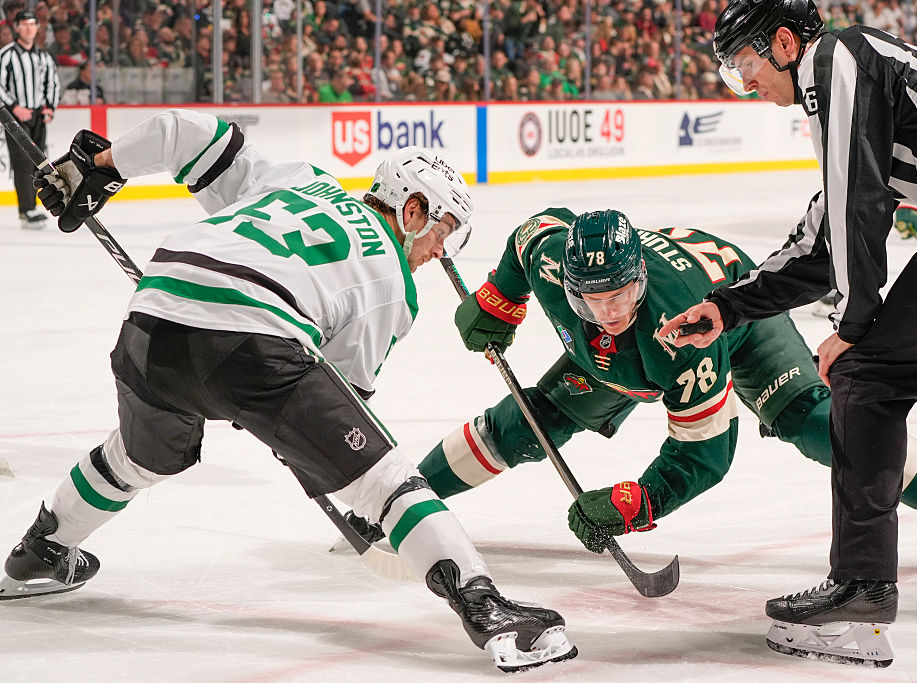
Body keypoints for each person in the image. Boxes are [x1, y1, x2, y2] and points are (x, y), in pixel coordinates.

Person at [0, 109, 577, 673]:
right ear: (414, 208)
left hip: (150, 320)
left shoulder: (301, 180)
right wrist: (304, 446)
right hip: (254, 342)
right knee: (386, 481)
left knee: (141, 454)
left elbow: (183, 133)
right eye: (443, 231)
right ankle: (487, 608)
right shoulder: (396, 289)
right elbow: (344, 396)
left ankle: (40, 551)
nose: (438, 252)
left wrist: (97, 166)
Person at [345, 208, 917, 595]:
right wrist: (500, 297)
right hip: (630, 356)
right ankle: (401, 501)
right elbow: (532, 234)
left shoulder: (679, 330)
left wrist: (640, 501)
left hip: (731, 316)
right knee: (524, 424)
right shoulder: (558, 266)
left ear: (638, 280)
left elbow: (708, 449)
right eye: (588, 297)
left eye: (616, 295)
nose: (602, 311)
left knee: (813, 419)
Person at [659, 0, 917, 666]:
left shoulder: (840, 59)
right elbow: (824, 237)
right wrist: (730, 306)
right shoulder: (848, 82)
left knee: (865, 379)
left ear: (784, 43)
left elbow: (861, 203)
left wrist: (854, 326)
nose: (749, 88)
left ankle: (860, 592)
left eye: (745, 66)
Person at [0, 10, 59, 229]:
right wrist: (15, 107)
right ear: (16, 28)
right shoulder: (6, 54)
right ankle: (26, 210)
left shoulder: (43, 56)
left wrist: (50, 107)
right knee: (22, 162)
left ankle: (33, 207)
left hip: (37, 116)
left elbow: (52, 82)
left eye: (32, 24)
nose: (28, 28)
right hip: (15, 117)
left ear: (37, 28)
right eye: (24, 24)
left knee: (38, 162)